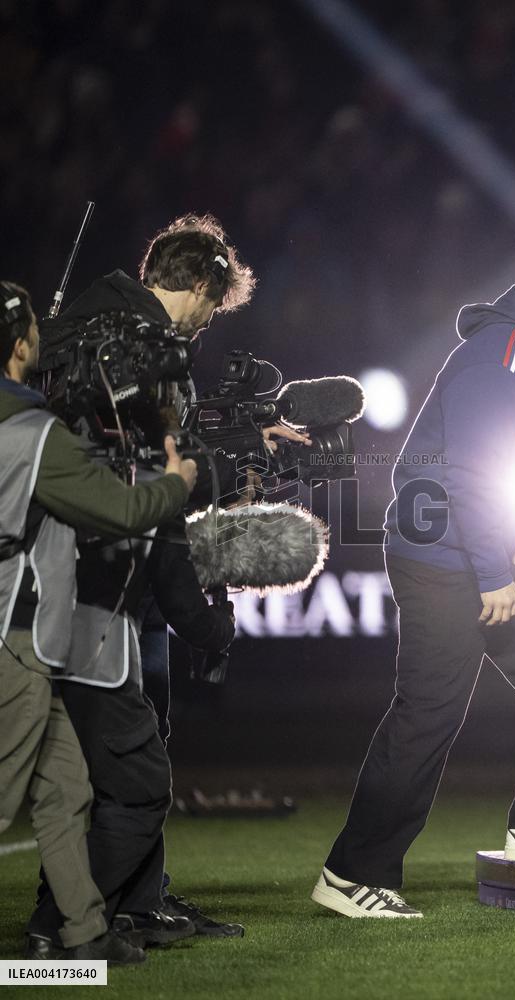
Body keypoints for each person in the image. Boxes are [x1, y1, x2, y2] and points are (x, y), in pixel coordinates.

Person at [312, 237, 515, 919]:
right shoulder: (505, 354)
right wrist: (493, 572)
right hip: (442, 560)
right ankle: (350, 875)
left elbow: (504, 467)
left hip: (475, 548)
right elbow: (473, 473)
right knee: (428, 714)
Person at [28, 214, 310, 947]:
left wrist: (238, 442)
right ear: (203, 286)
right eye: (215, 306)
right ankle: (63, 933)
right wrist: (206, 620)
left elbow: (142, 456)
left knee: (95, 773)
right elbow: (153, 494)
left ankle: (125, 908)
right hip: (100, 595)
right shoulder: (144, 347)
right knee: (129, 773)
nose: (210, 323)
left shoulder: (91, 330)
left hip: (56, 593)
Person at [0, 281, 197, 962]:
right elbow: (120, 512)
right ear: (21, 347)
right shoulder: (30, 432)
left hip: (28, 639)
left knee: (67, 791)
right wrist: (180, 481)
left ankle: (79, 936)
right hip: (12, 639)